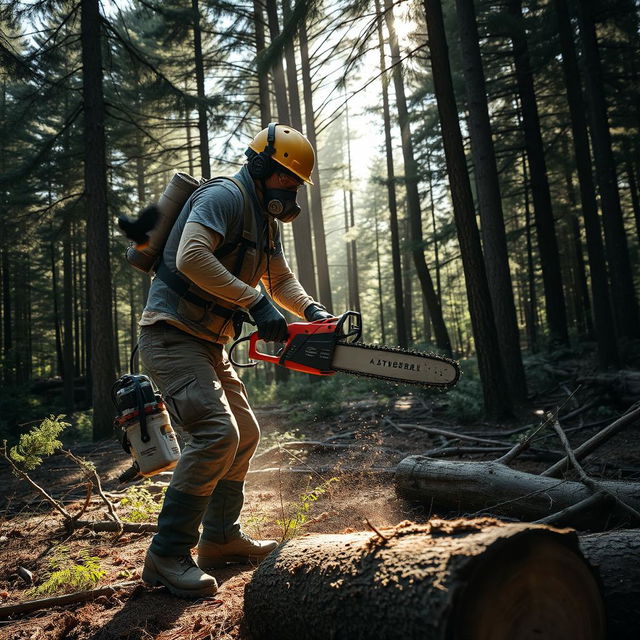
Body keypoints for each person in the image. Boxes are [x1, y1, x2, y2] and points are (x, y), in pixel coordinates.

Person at [138, 123, 331, 598]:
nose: (291, 191)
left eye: (297, 185)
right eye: (288, 179)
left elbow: (279, 279)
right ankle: (166, 554)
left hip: (208, 342)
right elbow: (190, 257)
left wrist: (311, 310)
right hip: (171, 335)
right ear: (263, 166)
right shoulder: (222, 197)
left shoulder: (263, 219)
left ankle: (220, 538)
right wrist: (253, 302)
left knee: (245, 433)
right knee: (214, 434)